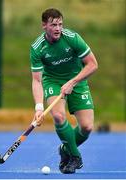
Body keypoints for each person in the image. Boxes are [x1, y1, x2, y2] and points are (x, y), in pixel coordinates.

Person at [30, 8, 98, 174]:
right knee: (59, 116)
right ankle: (75, 157)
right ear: (44, 26)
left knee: (87, 127)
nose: (58, 28)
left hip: (77, 80)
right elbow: (37, 80)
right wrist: (39, 107)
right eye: (53, 25)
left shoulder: (72, 38)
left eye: (60, 24)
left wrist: (73, 82)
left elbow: (93, 64)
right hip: (52, 81)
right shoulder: (37, 48)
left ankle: (65, 149)